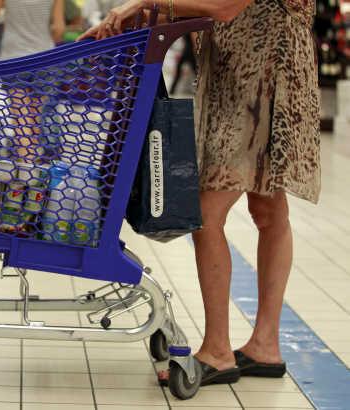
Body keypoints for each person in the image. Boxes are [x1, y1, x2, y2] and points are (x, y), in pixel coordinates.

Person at [80, 0, 320, 386]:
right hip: (237, 75)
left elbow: (224, 7)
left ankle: (219, 352)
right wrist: (134, 20)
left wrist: (144, 4)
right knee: (268, 211)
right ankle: (264, 346)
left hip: (268, 79)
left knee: (209, 215)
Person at [0, 0, 65, 162]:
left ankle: (25, 173)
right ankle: (33, 173)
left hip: (14, 58)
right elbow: (59, 29)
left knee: (22, 120)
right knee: (34, 121)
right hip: (45, 58)